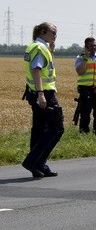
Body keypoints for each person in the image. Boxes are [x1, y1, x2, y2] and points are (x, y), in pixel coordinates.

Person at [22, 22, 64, 178]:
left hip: (34, 92)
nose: (55, 35)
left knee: (39, 129)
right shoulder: (40, 48)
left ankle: (39, 164)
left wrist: (51, 47)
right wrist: (41, 94)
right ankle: (32, 161)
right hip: (44, 93)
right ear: (43, 31)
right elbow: (36, 70)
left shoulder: (34, 46)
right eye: (53, 32)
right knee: (57, 128)